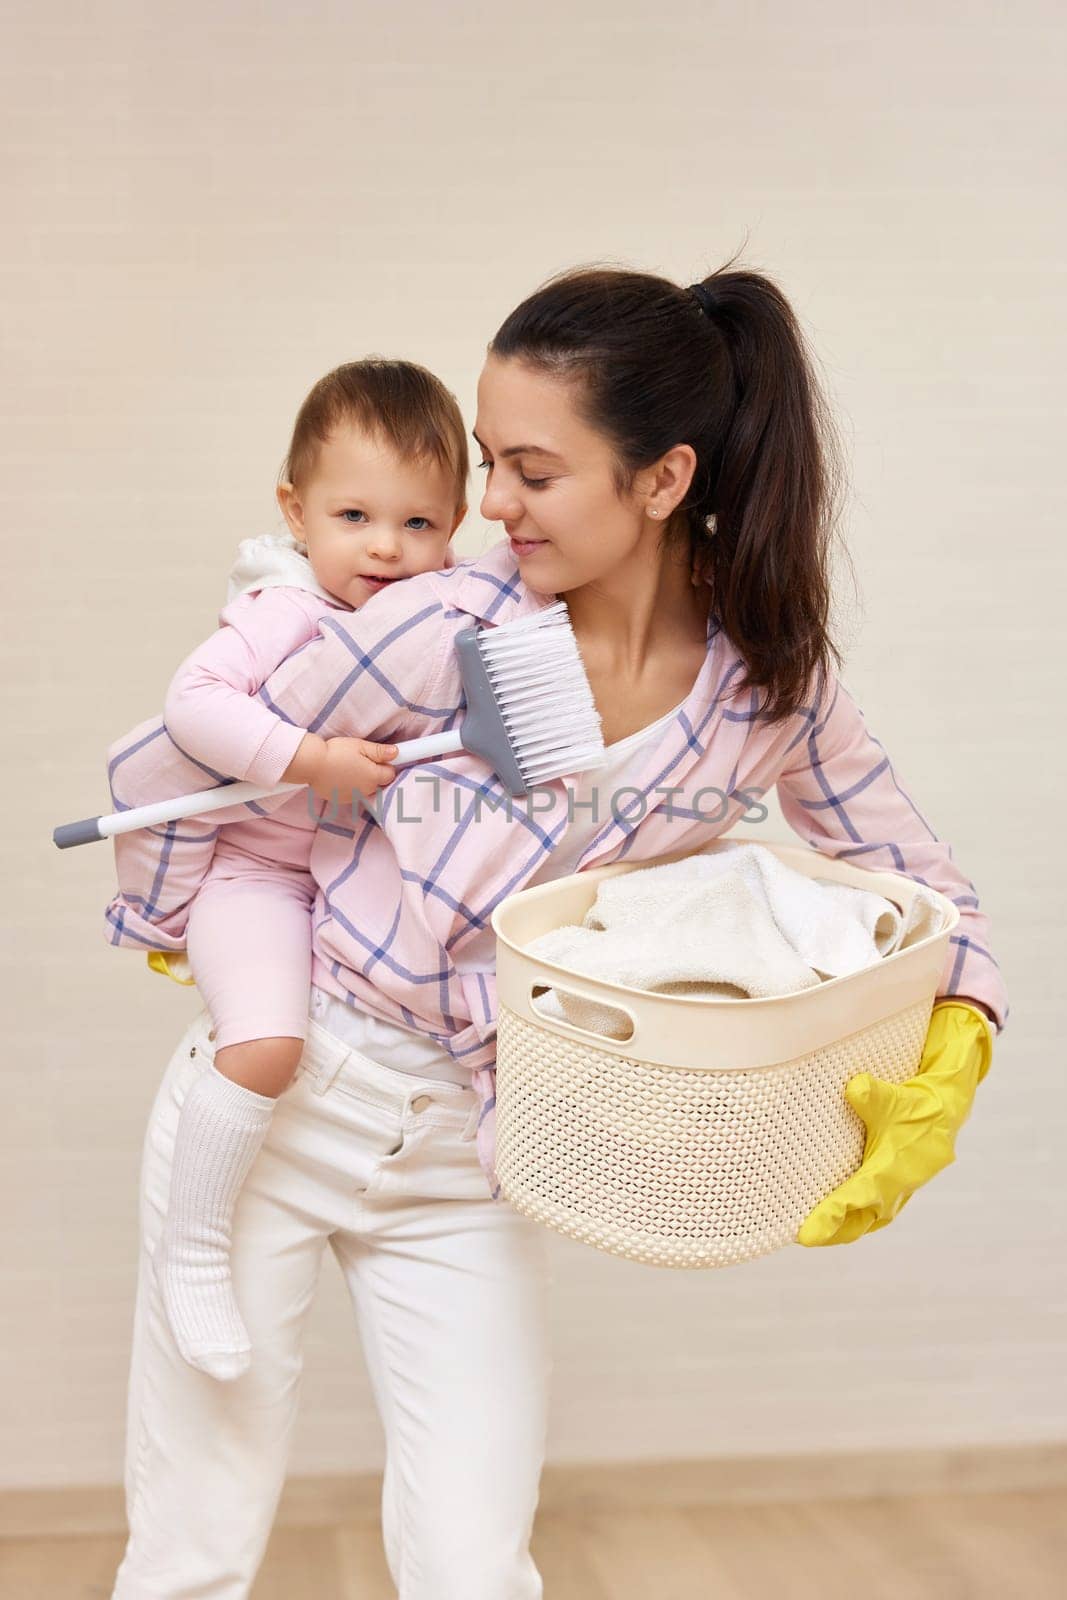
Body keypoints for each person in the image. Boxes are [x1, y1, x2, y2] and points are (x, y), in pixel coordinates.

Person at [105, 261, 1008, 1600]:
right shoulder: (445, 624)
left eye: (532, 471)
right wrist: (180, 912)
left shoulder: (767, 686)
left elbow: (914, 874)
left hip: (476, 1147)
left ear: (659, 480)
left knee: (475, 1563)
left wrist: (957, 1030)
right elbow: (194, 757)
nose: (486, 507)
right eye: (487, 464)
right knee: (195, 1547)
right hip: (283, 1100)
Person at [111, 359, 468, 1384]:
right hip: (257, 878)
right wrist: (310, 759)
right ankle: (194, 1253)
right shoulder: (284, 604)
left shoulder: (438, 616)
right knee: (267, 1045)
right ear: (294, 511)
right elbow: (195, 704)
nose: (386, 549)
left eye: (420, 523)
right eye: (354, 514)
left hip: (350, 871)